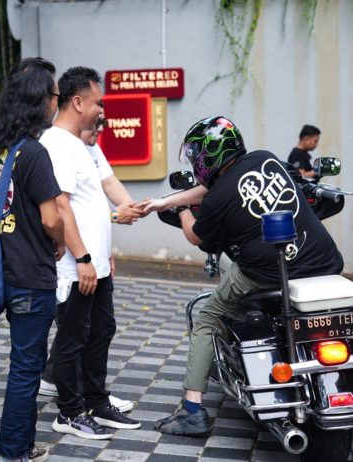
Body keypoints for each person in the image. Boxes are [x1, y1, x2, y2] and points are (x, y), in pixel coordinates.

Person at [143, 116, 343, 436]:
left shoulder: (217, 200)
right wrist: (164, 201)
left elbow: (196, 236)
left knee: (207, 317)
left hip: (267, 274)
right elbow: (216, 189)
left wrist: (179, 210)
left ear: (207, 157)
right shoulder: (265, 159)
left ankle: (192, 411)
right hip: (323, 261)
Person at [40, 66, 141, 440]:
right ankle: (69, 412)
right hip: (75, 267)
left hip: (96, 264)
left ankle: (97, 401)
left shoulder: (80, 145)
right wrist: (83, 259)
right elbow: (60, 208)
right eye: (98, 103)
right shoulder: (56, 143)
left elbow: (92, 201)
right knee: (72, 339)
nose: (101, 111)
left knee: (101, 330)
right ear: (78, 102)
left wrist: (101, 254)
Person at [0, 57, 65, 462]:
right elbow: (51, 217)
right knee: (26, 368)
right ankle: (13, 451)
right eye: (56, 95)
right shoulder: (34, 153)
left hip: (9, 272)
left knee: (23, 363)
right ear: (39, 99)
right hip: (33, 275)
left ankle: (22, 446)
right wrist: (62, 241)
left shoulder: (0, 152)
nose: (57, 102)